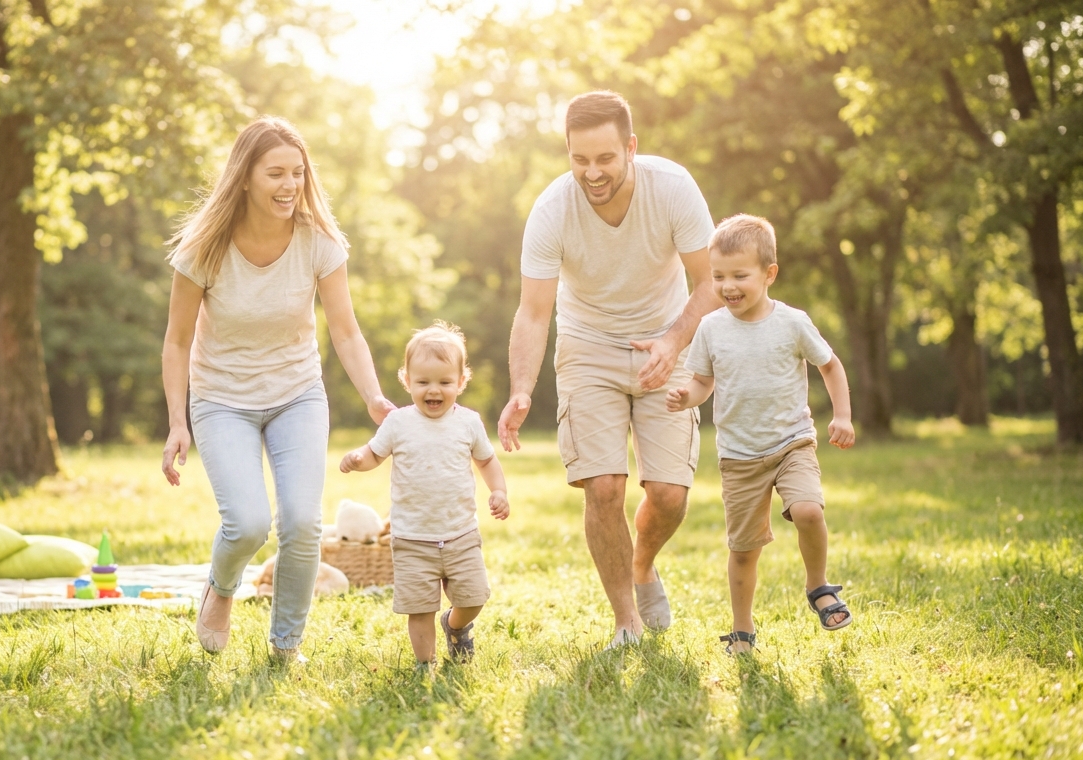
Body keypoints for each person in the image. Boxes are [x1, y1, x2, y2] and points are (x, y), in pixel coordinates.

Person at [161, 116, 394, 662]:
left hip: (297, 395)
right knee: (246, 524)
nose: (289, 184)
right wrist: (178, 422)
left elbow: (345, 329)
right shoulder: (205, 248)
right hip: (222, 400)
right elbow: (176, 342)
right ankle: (220, 590)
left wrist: (375, 396)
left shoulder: (318, 242)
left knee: (303, 523)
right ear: (245, 177)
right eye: (275, 173)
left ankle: (285, 643)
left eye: (297, 172)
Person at [498, 90, 722, 647]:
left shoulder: (671, 187)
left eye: (604, 159)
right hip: (588, 345)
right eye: (579, 160)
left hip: (664, 343)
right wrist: (521, 390)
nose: (592, 173)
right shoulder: (552, 210)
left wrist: (674, 340)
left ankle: (641, 564)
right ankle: (627, 621)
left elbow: (713, 281)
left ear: (630, 147)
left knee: (669, 495)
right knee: (602, 488)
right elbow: (532, 311)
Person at [665, 214, 855, 654]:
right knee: (745, 549)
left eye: (739, 275)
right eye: (718, 277)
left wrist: (842, 416)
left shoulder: (792, 322)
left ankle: (818, 587)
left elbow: (830, 364)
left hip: (792, 442)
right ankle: (743, 630)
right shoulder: (711, 328)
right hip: (739, 456)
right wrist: (685, 397)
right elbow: (702, 382)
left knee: (808, 510)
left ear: (769, 274)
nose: (727, 286)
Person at [339, 321, 509, 667]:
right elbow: (374, 454)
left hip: (460, 533)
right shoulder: (398, 423)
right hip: (413, 538)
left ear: (461, 382)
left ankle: (456, 624)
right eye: (423, 382)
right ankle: (425, 664)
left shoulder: (468, 423)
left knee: (474, 596)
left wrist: (499, 490)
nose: (435, 390)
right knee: (419, 609)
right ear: (407, 381)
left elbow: (487, 461)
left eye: (445, 382)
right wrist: (358, 459)